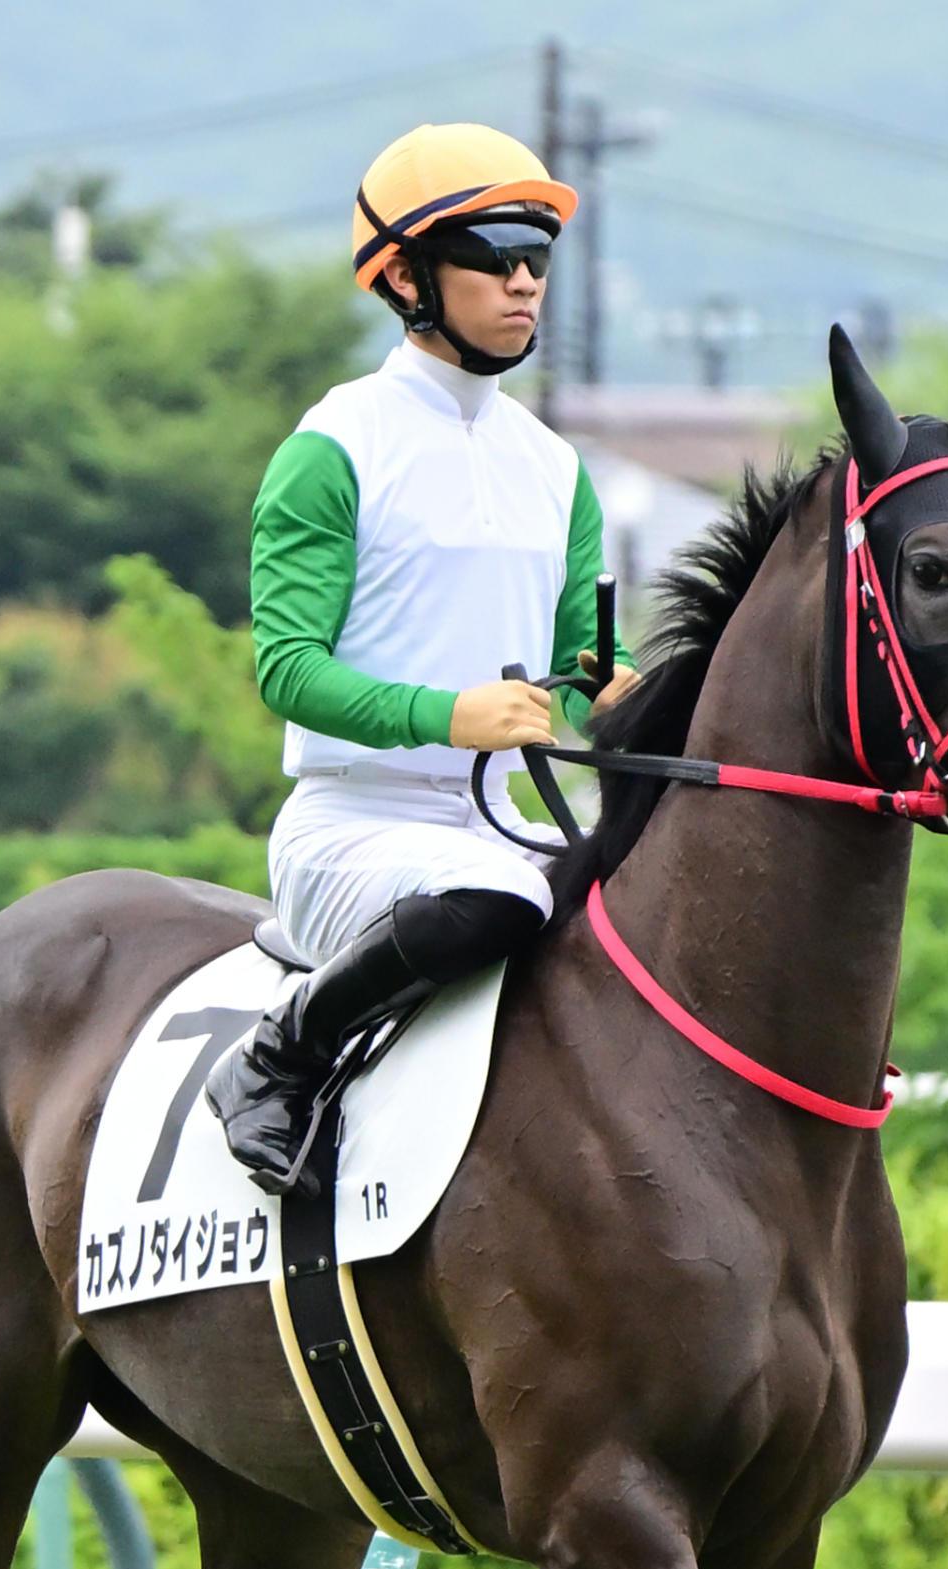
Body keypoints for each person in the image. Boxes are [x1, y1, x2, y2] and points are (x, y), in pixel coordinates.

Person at [205, 120, 640, 1194]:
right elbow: (287, 669)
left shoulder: (555, 465)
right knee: (505, 900)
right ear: (406, 277)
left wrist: (623, 690)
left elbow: (582, 662)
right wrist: (449, 717)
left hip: (501, 826)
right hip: (352, 830)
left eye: (539, 254)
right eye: (495, 254)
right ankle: (276, 1058)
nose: (525, 281)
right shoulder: (333, 446)